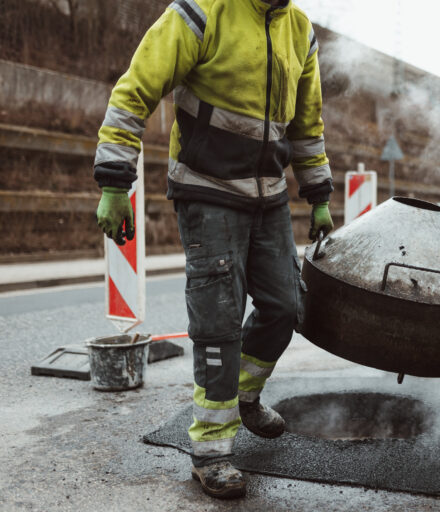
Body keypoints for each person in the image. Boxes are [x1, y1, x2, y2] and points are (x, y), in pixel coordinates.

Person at [93, 0, 333, 498]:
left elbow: (306, 126)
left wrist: (320, 195)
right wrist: (115, 182)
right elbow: (134, 90)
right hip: (207, 190)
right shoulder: (201, 12)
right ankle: (211, 451)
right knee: (219, 322)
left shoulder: (300, 30)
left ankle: (243, 396)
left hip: (268, 198)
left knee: (286, 306)